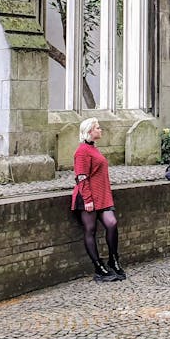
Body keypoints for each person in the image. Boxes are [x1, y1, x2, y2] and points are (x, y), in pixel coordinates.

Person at [71, 117, 126, 282]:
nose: (100, 130)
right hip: (87, 197)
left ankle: (113, 259)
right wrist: (88, 200)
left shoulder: (93, 149)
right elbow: (81, 177)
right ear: (89, 131)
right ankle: (98, 267)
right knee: (90, 230)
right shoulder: (82, 152)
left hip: (101, 197)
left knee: (112, 223)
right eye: (97, 128)